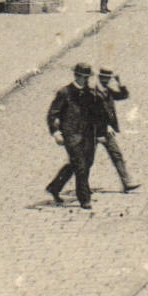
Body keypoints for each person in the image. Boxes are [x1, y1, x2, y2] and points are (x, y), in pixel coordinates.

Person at [46, 62, 101, 208]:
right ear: (76, 76)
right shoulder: (65, 92)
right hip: (71, 135)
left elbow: (97, 112)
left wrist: (101, 132)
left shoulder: (91, 92)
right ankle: (84, 198)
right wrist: (56, 132)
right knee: (81, 165)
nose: (86, 79)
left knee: (84, 163)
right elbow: (53, 114)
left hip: (89, 135)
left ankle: (55, 187)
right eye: (84, 77)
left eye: (88, 77)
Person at [92, 68, 139, 192]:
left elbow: (123, 95)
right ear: (99, 77)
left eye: (108, 78)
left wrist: (120, 83)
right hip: (94, 131)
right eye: (104, 77)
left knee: (116, 155)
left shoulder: (108, 91)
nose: (106, 80)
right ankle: (62, 186)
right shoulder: (93, 93)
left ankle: (127, 183)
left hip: (106, 131)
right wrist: (105, 126)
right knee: (84, 160)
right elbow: (93, 114)